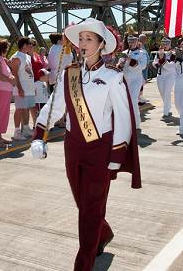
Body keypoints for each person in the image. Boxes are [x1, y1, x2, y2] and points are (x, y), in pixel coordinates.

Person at [30, 18, 141, 271]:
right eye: (80, 39)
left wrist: (117, 154)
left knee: (90, 209)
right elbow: (54, 106)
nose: (82, 43)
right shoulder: (70, 74)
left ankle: (84, 263)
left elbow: (123, 117)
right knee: (83, 202)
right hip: (73, 146)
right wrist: (39, 134)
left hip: (100, 148)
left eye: (88, 39)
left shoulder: (113, 77)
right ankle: (103, 233)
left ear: (102, 45)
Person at [118, 35, 147, 130]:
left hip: (136, 79)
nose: (131, 43)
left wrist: (130, 59)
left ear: (137, 41)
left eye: (133, 41)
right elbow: (120, 66)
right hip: (125, 80)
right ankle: (128, 121)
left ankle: (136, 123)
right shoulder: (124, 53)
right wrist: (120, 64)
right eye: (130, 41)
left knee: (133, 100)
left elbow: (143, 66)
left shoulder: (142, 53)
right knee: (126, 101)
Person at [10, 37, 35, 141]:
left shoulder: (27, 56)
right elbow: (15, 74)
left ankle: (25, 128)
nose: (31, 46)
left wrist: (33, 88)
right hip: (21, 88)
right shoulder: (16, 57)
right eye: (30, 44)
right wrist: (20, 88)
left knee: (27, 109)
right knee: (19, 109)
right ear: (24, 45)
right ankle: (17, 131)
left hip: (29, 88)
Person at [152, 37, 177, 117]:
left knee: (167, 92)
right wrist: (157, 63)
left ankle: (166, 112)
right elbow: (154, 63)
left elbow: (171, 66)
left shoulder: (173, 54)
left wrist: (162, 59)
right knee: (162, 93)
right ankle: (168, 106)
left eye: (166, 44)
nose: (165, 46)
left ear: (170, 44)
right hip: (160, 75)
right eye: (163, 44)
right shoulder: (158, 53)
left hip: (170, 75)